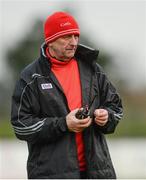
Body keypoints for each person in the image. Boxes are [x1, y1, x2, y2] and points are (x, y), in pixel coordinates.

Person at [11, 11, 123, 179]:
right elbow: (21, 125)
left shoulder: (93, 70)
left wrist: (106, 117)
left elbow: (116, 108)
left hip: (98, 173)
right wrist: (63, 124)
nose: (73, 42)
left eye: (76, 36)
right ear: (50, 41)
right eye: (66, 37)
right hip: (51, 174)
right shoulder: (31, 77)